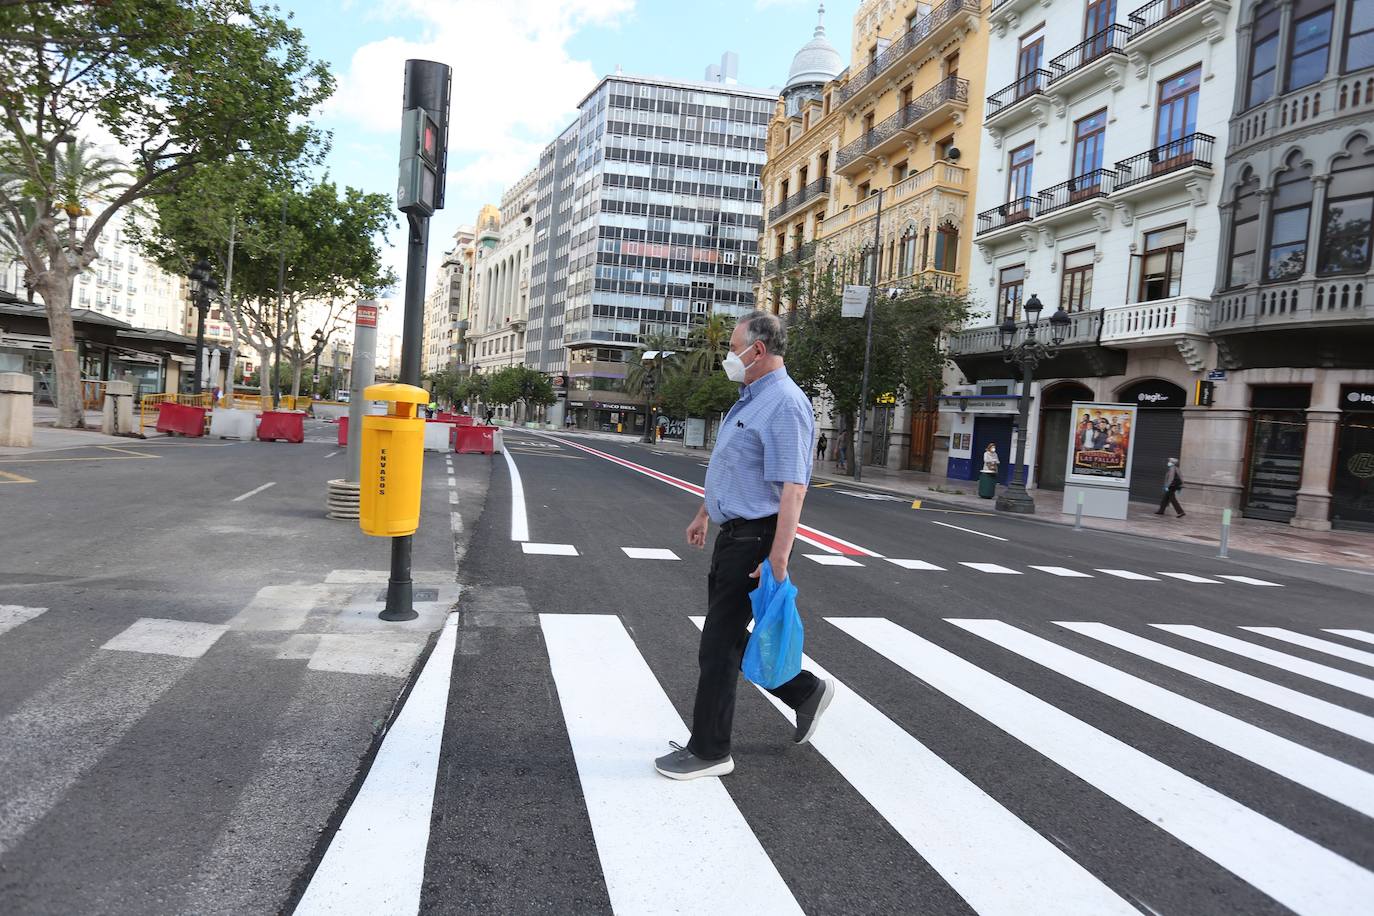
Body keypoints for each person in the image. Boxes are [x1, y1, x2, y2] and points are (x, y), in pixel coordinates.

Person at [655, 311, 834, 781]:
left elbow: (793, 488)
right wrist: (703, 513)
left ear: (757, 350)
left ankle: (711, 750)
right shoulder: (750, 399)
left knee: (716, 644)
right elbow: (733, 468)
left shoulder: (785, 405)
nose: (727, 356)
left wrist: (778, 559)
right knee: (730, 636)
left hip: (757, 539)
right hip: (735, 533)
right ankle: (803, 691)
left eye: (732, 347)